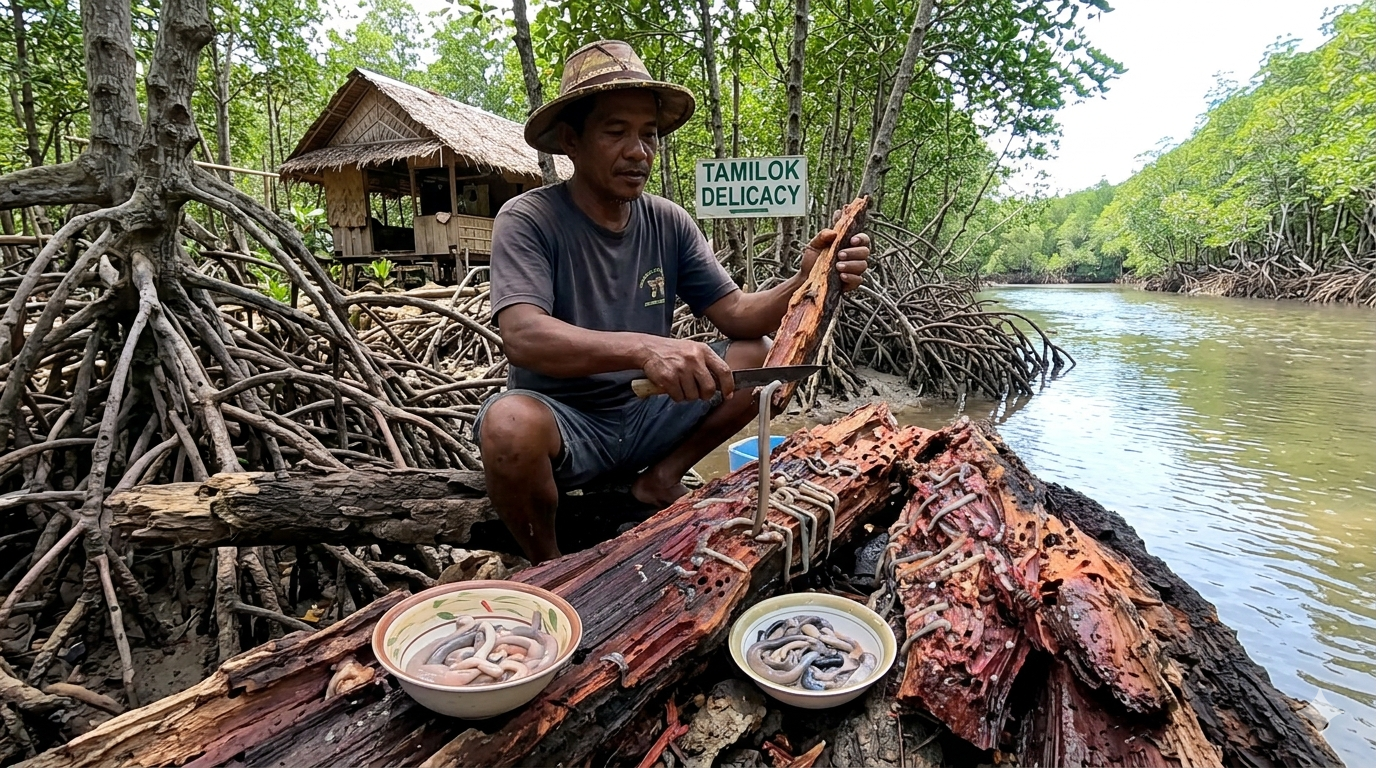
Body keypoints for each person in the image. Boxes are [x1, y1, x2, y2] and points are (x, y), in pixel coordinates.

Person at [474, 40, 870, 563]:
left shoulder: (669, 221)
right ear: (571, 139)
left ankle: (659, 480)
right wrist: (646, 349)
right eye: (616, 132)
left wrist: (806, 278)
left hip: (647, 415)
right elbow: (523, 335)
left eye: (649, 135)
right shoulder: (528, 218)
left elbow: (737, 314)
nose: (638, 151)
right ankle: (549, 567)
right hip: (567, 424)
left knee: (757, 354)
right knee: (508, 425)